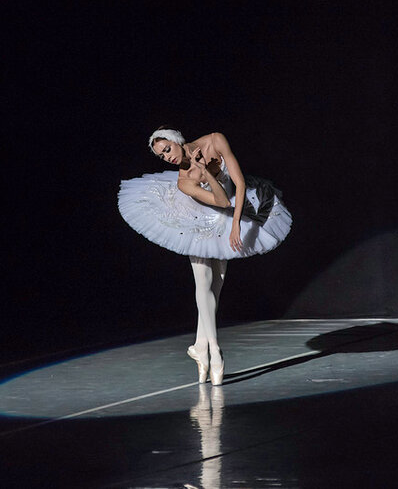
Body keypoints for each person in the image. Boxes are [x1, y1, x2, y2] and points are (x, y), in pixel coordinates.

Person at [118, 127, 292, 385]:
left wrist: (236, 224)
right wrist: (204, 173)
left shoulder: (215, 140)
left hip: (229, 216)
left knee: (217, 285)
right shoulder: (183, 181)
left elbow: (239, 184)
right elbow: (220, 201)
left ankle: (200, 347)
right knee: (203, 283)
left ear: (177, 141)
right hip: (197, 218)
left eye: (168, 149)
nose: (167, 157)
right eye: (162, 156)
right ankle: (215, 352)